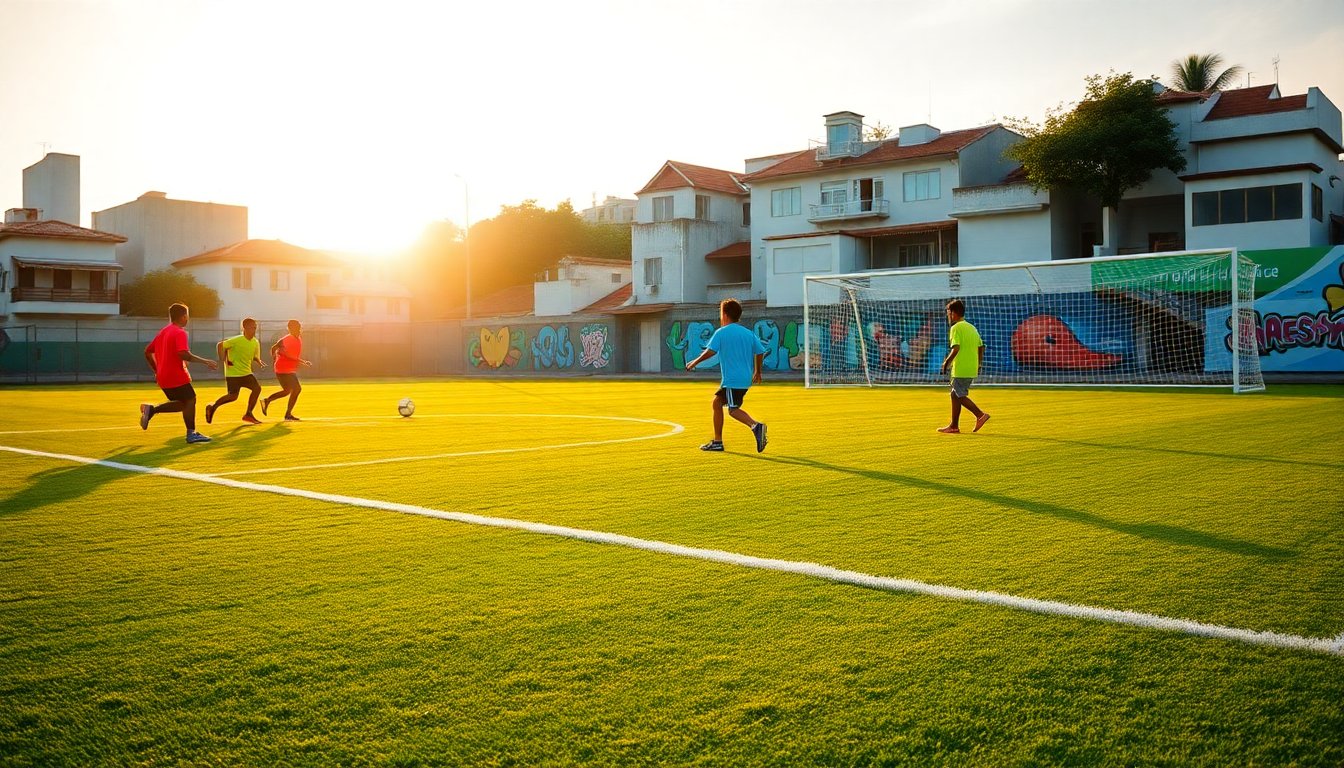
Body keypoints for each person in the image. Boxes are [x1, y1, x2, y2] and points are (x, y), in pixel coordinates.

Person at [685, 298, 768, 453]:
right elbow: (760, 351)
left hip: (733, 380)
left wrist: (694, 362)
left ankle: (756, 426)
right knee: (717, 403)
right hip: (743, 379)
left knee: (733, 409)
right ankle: (718, 441)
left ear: (725, 314)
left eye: (720, 312)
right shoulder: (748, 333)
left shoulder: (721, 332)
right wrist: (758, 371)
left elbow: (711, 351)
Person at [139, 302, 219, 443]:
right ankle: (191, 433)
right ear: (183, 317)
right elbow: (183, 354)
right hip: (176, 375)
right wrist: (205, 361)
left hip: (163, 377)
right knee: (190, 400)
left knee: (183, 404)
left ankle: (151, 410)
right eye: (187, 315)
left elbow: (147, 351)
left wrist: (157, 370)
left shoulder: (163, 332)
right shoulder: (179, 332)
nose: (188, 319)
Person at [938, 298, 990, 434]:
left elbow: (956, 348)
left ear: (954, 313)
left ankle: (980, 415)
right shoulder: (971, 327)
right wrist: (979, 363)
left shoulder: (955, 328)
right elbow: (981, 346)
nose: (948, 316)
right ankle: (954, 426)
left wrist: (946, 363)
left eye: (948, 313)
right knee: (954, 394)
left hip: (961, 368)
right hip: (971, 367)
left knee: (960, 395)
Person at [206, 317, 267, 426]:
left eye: (255, 328)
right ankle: (212, 407)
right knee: (233, 396)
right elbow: (220, 345)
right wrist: (222, 360)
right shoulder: (236, 340)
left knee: (257, 388)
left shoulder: (255, 342)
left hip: (246, 372)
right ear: (244, 328)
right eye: (251, 328)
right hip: (233, 373)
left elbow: (254, 356)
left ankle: (248, 414)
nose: (254, 330)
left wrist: (258, 361)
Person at [261, 319, 311, 421]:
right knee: (297, 389)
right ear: (289, 329)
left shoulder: (298, 339)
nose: (296, 329)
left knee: (287, 391)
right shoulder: (286, 339)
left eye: (297, 327)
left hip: (289, 369)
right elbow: (274, 348)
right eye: (293, 328)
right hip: (283, 369)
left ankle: (267, 401)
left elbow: (291, 355)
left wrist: (302, 361)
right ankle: (288, 415)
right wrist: (275, 358)